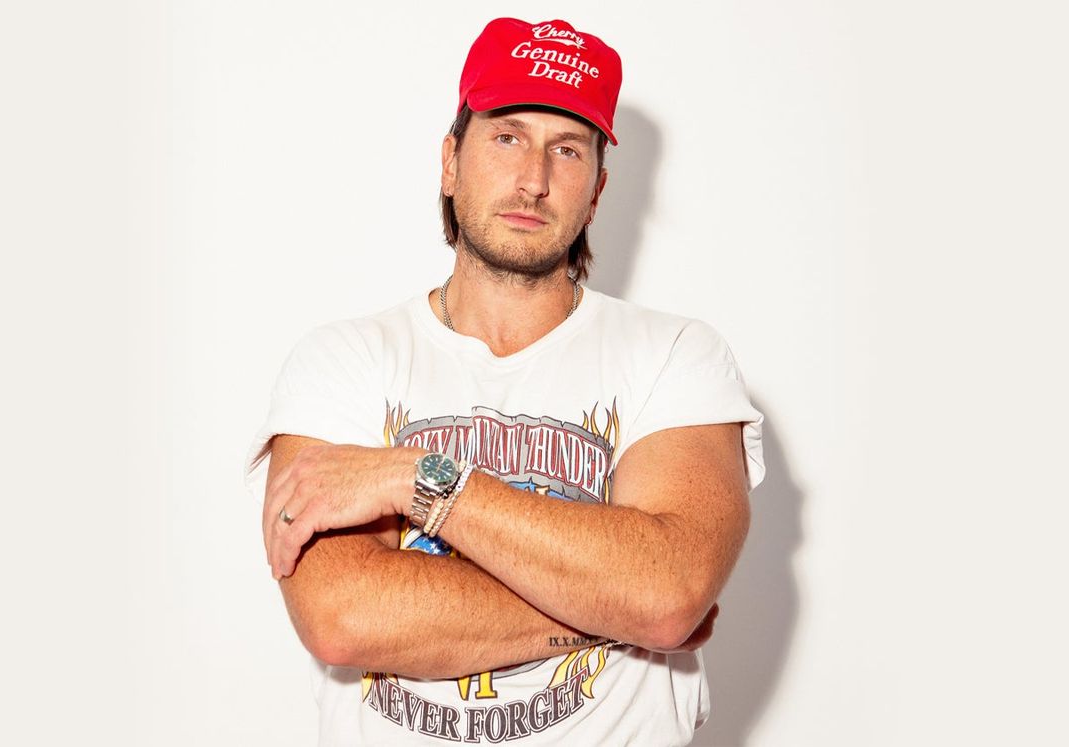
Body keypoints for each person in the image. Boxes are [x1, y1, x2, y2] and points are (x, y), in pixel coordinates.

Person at [244, 17, 766, 746]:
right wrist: (613, 606)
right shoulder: (343, 360)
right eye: (508, 137)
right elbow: (342, 618)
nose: (534, 180)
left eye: (567, 149)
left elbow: (667, 591)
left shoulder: (676, 355)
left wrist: (410, 479)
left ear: (597, 190)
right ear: (450, 162)